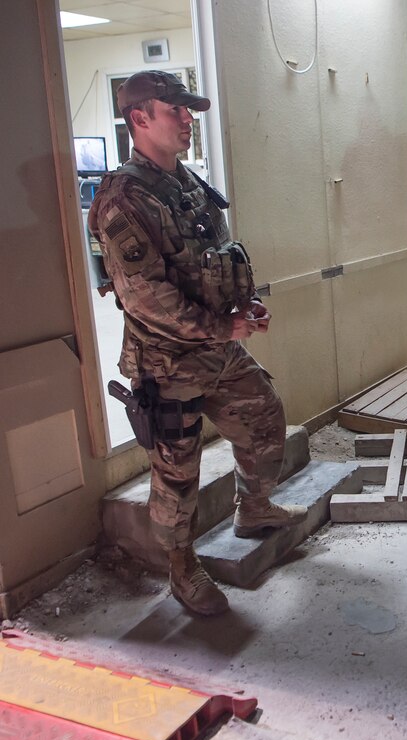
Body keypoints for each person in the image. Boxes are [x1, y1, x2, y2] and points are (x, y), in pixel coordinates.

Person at [89, 71, 305, 617]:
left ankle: (253, 509)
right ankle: (182, 570)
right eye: (175, 109)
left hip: (217, 346)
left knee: (263, 418)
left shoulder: (185, 184)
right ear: (139, 118)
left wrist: (243, 302)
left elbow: (220, 254)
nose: (188, 119)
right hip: (165, 362)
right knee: (177, 475)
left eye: (189, 110)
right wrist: (220, 328)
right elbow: (145, 298)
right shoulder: (124, 200)